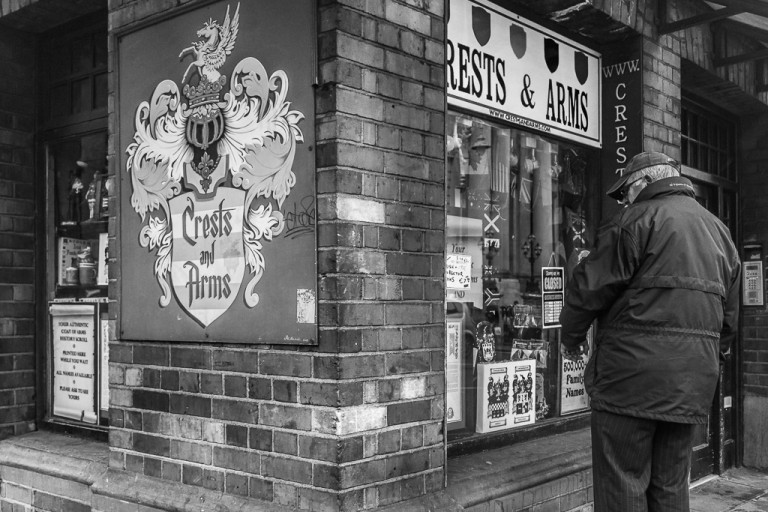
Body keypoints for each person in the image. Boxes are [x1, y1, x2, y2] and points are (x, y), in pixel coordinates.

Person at [558, 151, 741, 512]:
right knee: (671, 487)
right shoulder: (720, 233)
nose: (624, 200)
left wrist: (570, 339)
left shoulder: (634, 221)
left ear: (643, 182)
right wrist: (706, 363)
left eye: (625, 191)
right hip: (689, 386)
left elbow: (588, 291)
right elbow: (730, 322)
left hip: (629, 384)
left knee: (622, 484)